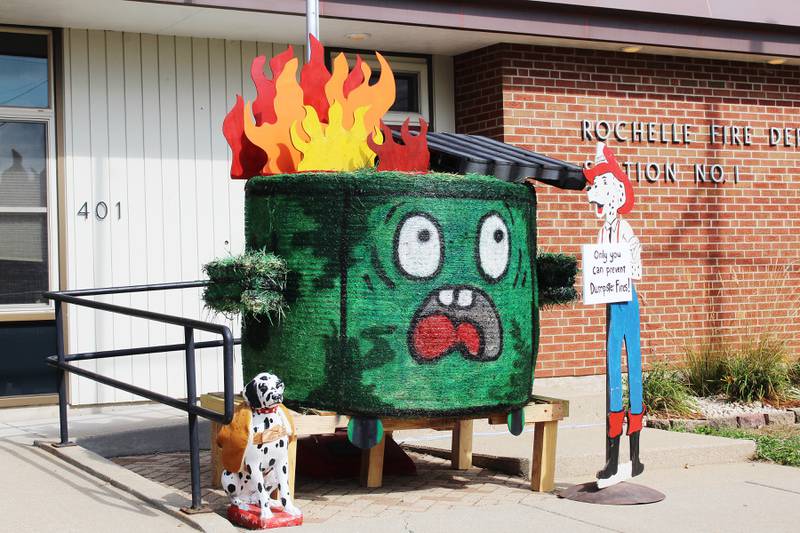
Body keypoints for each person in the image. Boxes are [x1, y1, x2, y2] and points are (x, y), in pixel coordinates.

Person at [584, 142, 644, 486]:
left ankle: (634, 458)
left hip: (626, 300)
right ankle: (612, 459)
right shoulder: (602, 231)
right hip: (611, 301)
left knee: (632, 368)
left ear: (614, 194)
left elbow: (634, 265)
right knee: (612, 374)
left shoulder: (625, 229)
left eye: (598, 187)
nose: (592, 196)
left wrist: (619, 270)